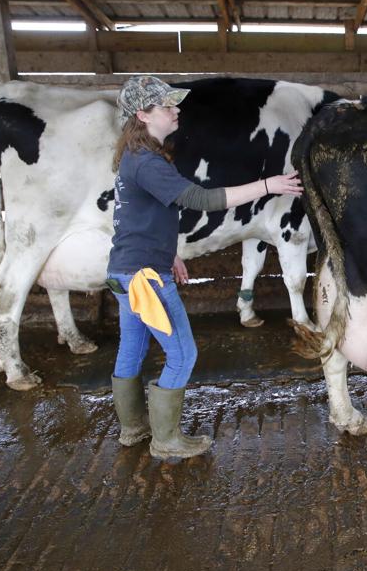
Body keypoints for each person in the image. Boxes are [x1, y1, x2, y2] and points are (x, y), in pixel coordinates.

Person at [106, 75, 303, 460]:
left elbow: (137, 220)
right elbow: (201, 199)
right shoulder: (146, 162)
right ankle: (166, 440)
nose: (175, 110)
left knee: (131, 347)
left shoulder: (135, 158)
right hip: (146, 279)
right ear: (143, 115)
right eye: (166, 106)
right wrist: (268, 186)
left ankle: (133, 428)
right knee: (182, 354)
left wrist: (169, 253)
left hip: (126, 273)